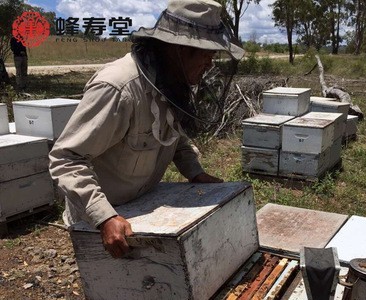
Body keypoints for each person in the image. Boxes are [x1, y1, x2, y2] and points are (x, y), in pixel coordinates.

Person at [48, 0, 245, 259]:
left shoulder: (171, 81)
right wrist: (104, 216)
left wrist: (195, 173)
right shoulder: (119, 88)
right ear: (179, 49)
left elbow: (174, 137)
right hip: (100, 220)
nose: (209, 64)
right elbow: (66, 158)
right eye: (206, 55)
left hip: (142, 207)